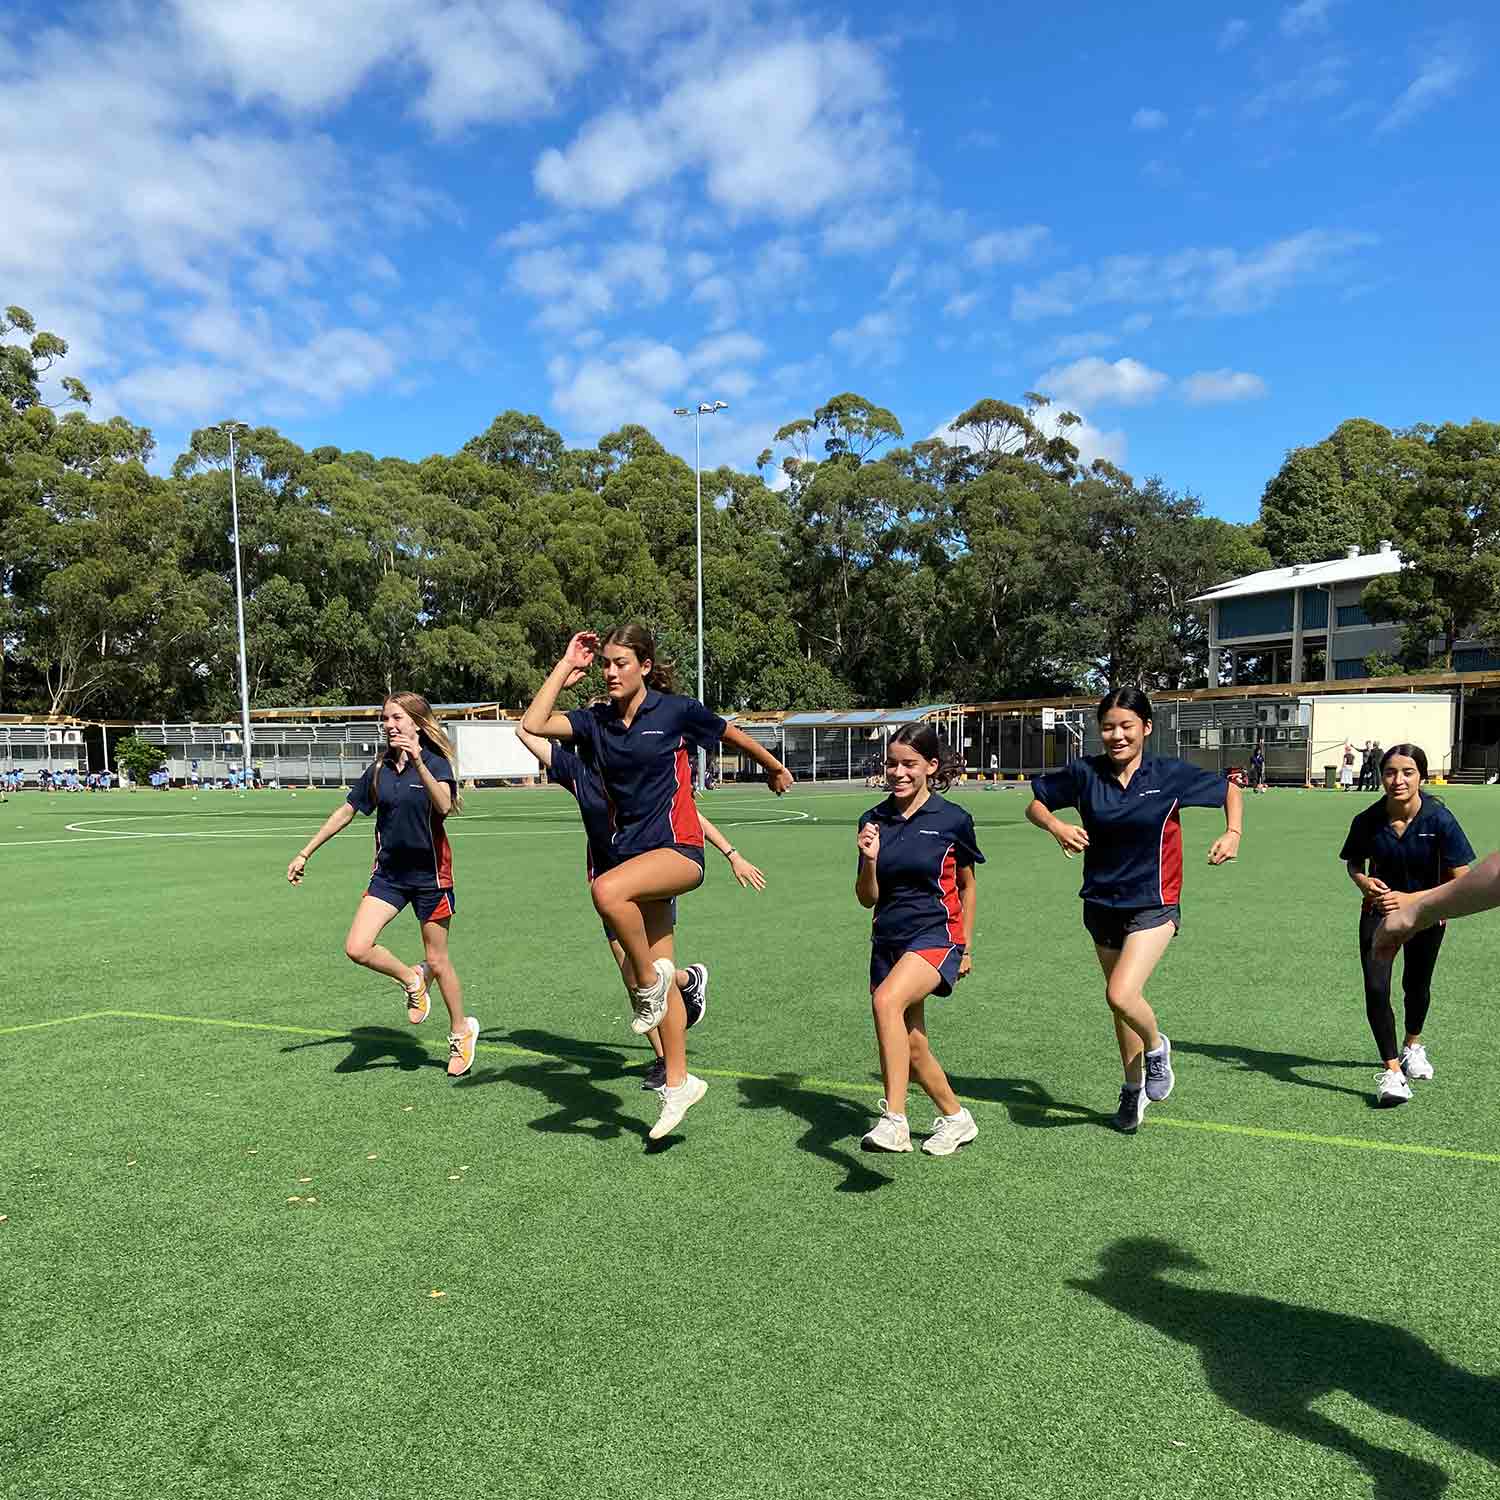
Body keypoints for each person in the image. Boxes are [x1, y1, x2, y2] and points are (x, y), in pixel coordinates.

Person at [521, 623, 794, 1140]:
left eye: (620, 662)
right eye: (605, 663)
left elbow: (729, 732)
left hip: (679, 850)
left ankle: (652, 985)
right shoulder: (596, 720)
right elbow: (533, 723)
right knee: (660, 964)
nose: (610, 671)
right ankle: (677, 1083)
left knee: (607, 894)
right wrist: (565, 667)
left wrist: (773, 765)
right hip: (633, 856)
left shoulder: (675, 711)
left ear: (645, 666)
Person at [1025, 687, 1242, 1134]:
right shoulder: (1085, 773)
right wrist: (1056, 825)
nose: (1117, 735)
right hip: (1101, 902)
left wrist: (1233, 832)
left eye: (1127, 726)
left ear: (1146, 727)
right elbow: (1036, 802)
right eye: (1108, 727)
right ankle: (1131, 1088)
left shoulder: (1170, 774)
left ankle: (1157, 1045)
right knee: (1120, 1005)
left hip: (1155, 901)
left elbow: (1229, 790)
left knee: (1121, 994)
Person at [515, 720, 767, 1090]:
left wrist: (732, 854)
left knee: (647, 974)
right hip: (609, 887)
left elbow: (690, 815)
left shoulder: (637, 773)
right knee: (635, 977)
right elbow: (527, 731)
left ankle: (671, 1056)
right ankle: (684, 987)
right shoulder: (578, 774)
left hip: (649, 877)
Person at [286, 693, 480, 1079]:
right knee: (357, 946)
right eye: (385, 719)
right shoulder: (379, 769)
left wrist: (421, 761)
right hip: (389, 876)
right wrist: (306, 852)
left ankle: (462, 1031)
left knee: (439, 962)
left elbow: (443, 805)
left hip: (431, 879)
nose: (389, 725)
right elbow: (346, 811)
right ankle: (411, 978)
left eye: (396, 718)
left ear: (416, 722)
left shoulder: (436, 762)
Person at [855, 724, 983, 1156]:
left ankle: (894, 1120)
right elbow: (866, 897)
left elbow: (967, 885)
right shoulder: (873, 820)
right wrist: (869, 861)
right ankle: (956, 1118)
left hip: (936, 934)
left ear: (930, 766)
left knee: (886, 1002)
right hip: (887, 939)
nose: (898, 772)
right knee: (911, 1044)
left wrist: (963, 946)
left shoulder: (953, 820)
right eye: (892, 763)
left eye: (909, 764)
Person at [1340, 743, 1474, 1107]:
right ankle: (1393, 1071)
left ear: (1421, 776)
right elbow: (1354, 863)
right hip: (1378, 913)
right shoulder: (1367, 819)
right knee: (1375, 987)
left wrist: (1415, 901)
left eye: (1407, 772)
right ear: (1381, 776)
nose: (1397, 780)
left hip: (1428, 913)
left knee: (1416, 985)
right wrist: (1363, 882)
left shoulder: (1439, 819)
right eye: (1390, 772)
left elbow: (1463, 880)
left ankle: (1413, 1044)